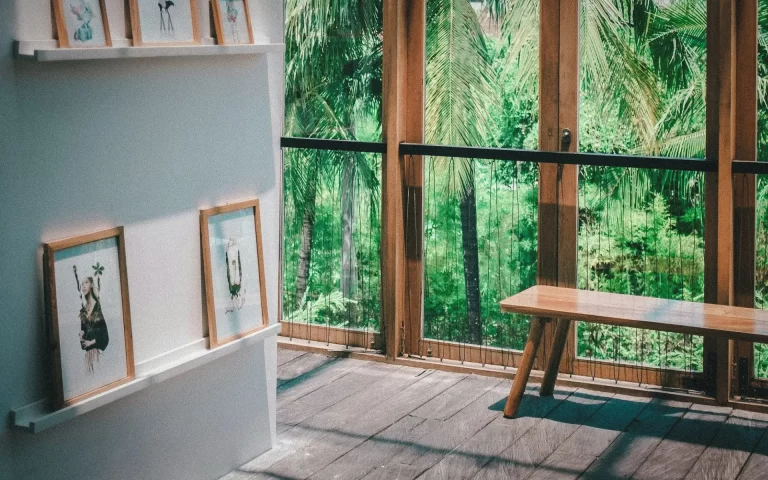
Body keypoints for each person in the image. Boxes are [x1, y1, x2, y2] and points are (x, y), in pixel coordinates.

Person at [78, 276, 109, 373]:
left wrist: (91, 342)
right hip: (87, 359)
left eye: (86, 282)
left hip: (97, 357)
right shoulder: (83, 311)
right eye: (82, 284)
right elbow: (83, 345)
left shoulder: (97, 307)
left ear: (91, 284)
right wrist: (82, 336)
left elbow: (105, 335)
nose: (83, 286)